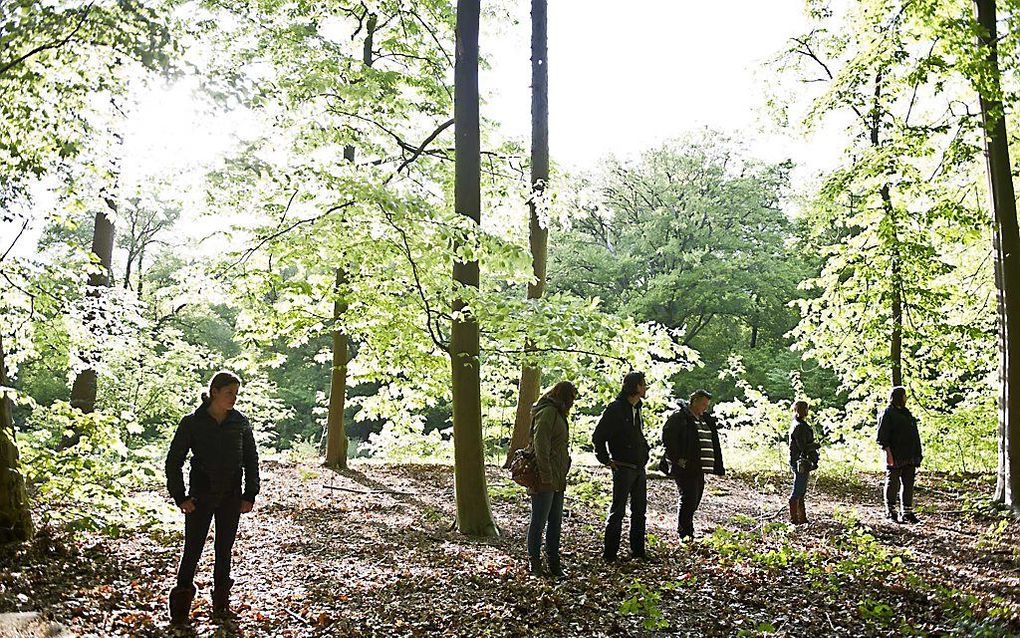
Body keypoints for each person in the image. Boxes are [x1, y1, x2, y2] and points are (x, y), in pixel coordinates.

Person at [165, 371, 260, 624]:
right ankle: (180, 608)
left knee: (224, 550)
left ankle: (220, 605)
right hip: (200, 496)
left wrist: (250, 493)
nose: (233, 398)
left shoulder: (240, 422)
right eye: (229, 393)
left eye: (236, 394)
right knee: (192, 550)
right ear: (214, 392)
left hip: (231, 495)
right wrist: (180, 496)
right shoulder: (192, 422)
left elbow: (251, 459)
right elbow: (174, 461)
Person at [592, 371, 652, 562]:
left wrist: (645, 451)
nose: (645, 388)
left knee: (639, 512)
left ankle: (638, 552)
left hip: (639, 467)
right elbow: (598, 436)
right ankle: (609, 554)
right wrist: (606, 459)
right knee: (618, 511)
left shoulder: (637, 409)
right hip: (623, 467)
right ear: (635, 387)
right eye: (643, 384)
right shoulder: (616, 409)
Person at [527, 381, 578, 579]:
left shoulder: (557, 413)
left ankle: (554, 563)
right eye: (571, 398)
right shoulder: (548, 413)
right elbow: (541, 447)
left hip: (557, 477)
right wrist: (546, 477)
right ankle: (535, 563)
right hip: (544, 478)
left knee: (555, 522)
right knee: (539, 521)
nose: (573, 402)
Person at [661, 389, 724, 539]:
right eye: (703, 404)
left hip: (699, 467)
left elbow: (714, 441)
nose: (704, 407)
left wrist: (718, 466)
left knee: (695, 498)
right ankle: (685, 533)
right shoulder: (680, 417)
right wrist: (678, 459)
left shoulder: (705, 419)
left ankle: (687, 528)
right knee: (688, 498)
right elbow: (668, 438)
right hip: (685, 467)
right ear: (694, 401)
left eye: (706, 405)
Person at [877, 386, 922, 524]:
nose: (906, 398)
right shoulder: (888, 413)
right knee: (893, 483)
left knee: (908, 483)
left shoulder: (907, 413)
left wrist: (917, 454)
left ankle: (907, 512)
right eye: (904, 395)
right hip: (896, 454)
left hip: (910, 454)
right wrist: (888, 454)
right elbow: (882, 437)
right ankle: (890, 511)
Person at [788, 400, 819, 525]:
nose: (806, 411)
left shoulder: (797, 424)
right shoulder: (799, 426)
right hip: (800, 461)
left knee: (801, 490)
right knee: (798, 490)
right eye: (805, 409)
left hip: (799, 460)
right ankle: (795, 519)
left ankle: (802, 518)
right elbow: (803, 446)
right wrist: (815, 445)